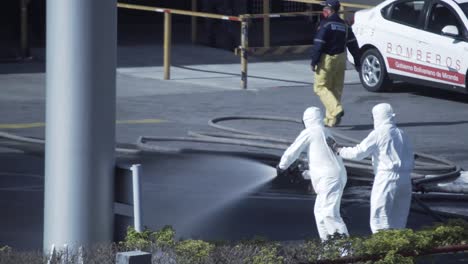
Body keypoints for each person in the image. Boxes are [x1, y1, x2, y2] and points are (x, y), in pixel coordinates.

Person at [328, 103, 414, 233]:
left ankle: (383, 250)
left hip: (386, 178)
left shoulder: (379, 133)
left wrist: (338, 149)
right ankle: (399, 249)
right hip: (405, 180)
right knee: (399, 219)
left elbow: (358, 153)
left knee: (380, 218)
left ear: (377, 117)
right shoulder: (402, 134)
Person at [277, 106, 348, 240]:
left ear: (307, 121)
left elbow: (293, 150)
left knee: (330, 214)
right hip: (335, 176)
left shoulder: (311, 131)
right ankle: (329, 249)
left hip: (330, 179)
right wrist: (303, 173)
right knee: (320, 213)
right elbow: (324, 163)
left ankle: (346, 252)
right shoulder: (325, 132)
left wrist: (282, 166)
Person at [310, 0, 361, 127]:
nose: (323, 11)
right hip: (341, 59)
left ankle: (336, 110)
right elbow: (353, 45)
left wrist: (314, 61)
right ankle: (331, 120)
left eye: (324, 9)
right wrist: (358, 62)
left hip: (327, 60)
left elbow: (318, 44)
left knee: (320, 87)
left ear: (330, 10)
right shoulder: (345, 25)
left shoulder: (325, 25)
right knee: (335, 89)